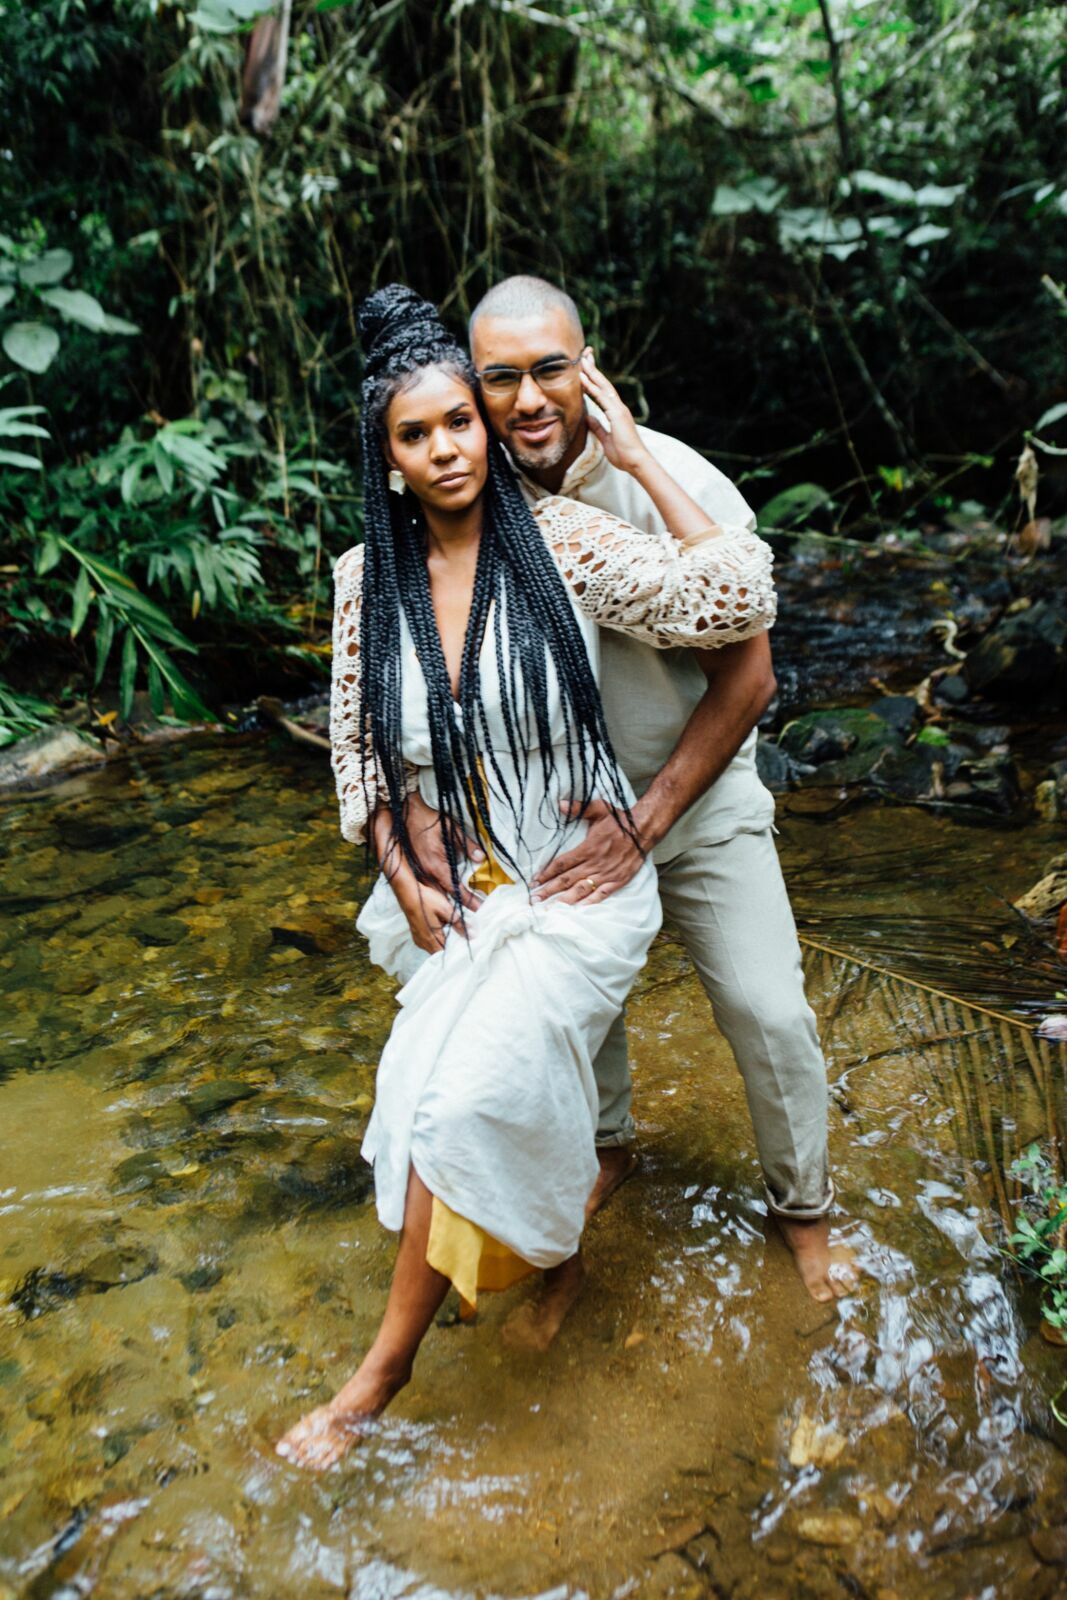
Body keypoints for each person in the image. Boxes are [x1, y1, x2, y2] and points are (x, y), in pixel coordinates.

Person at [276, 285, 776, 1469]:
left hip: (578, 888)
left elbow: (737, 599)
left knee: (456, 1106)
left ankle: (376, 1379)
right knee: (437, 1096)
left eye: (461, 421)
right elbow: (356, 754)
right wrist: (399, 861)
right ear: (388, 456)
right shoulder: (364, 581)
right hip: (467, 893)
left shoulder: (556, 541)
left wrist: (635, 457)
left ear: (484, 429)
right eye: (416, 434)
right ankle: (558, 1260)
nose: (447, 449)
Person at [407, 275, 846, 1302]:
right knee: (571, 1020)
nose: (528, 400)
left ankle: (804, 1210)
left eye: (550, 370)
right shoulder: (473, 496)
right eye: (501, 378)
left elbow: (751, 678)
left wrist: (645, 827)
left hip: (697, 801)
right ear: (473, 387)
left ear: (589, 370)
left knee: (769, 1011)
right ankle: (605, 1152)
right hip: (556, 813)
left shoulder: (673, 479)